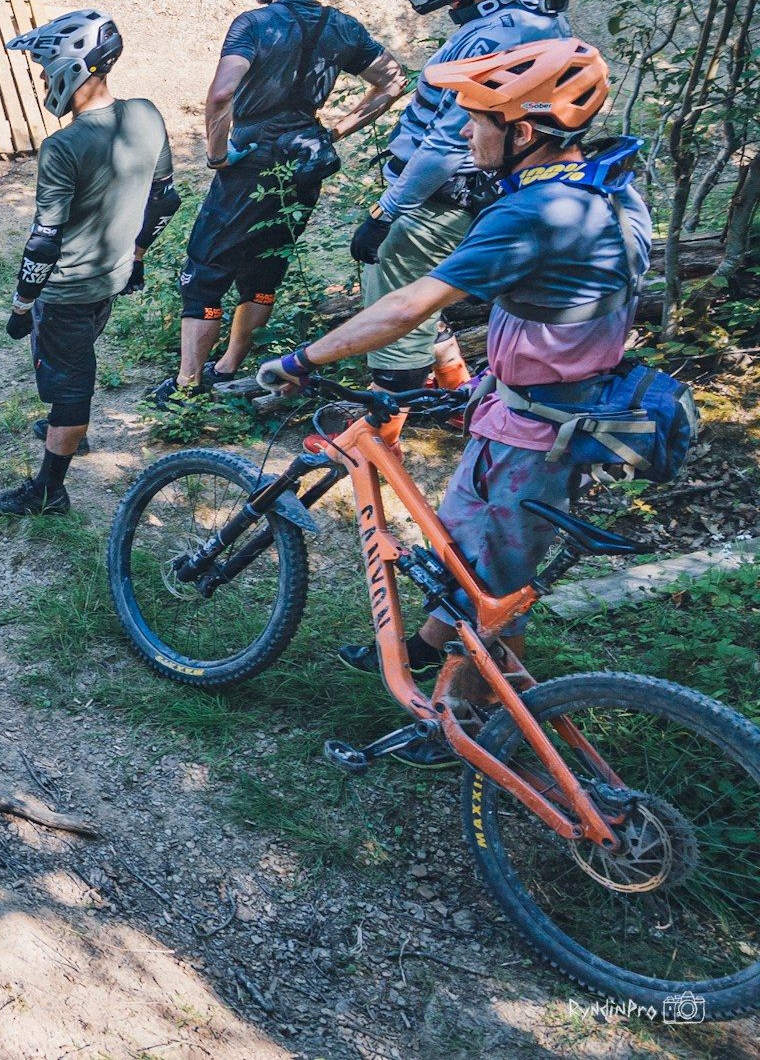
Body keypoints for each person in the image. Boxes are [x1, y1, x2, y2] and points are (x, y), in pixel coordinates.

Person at [257, 37, 647, 766]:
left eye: (477, 120)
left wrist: (300, 358)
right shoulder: (604, 183)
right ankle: (429, 649)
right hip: (535, 407)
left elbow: (408, 305)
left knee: (493, 587)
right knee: (469, 553)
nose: (466, 133)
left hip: (537, 434)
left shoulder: (535, 212)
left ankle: (463, 723)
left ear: (522, 132)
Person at [154, 0, 406, 407]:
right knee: (266, 268)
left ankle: (188, 387)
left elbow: (222, 94)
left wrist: (217, 155)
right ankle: (229, 367)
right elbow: (393, 80)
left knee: (205, 270)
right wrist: (334, 131)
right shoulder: (343, 26)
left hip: (252, 160)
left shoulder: (254, 24)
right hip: (307, 159)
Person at [348, 0, 571, 397]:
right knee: (427, 302)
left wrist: (386, 213)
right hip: (474, 192)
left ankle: (382, 428)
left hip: (440, 201)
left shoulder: (493, 35)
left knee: (397, 318)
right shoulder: (537, 17)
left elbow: (449, 143)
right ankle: (454, 395)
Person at [0, 10, 178, 516]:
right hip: (111, 276)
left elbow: (44, 242)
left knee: (73, 385)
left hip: (67, 289)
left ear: (70, 68)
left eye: (44, 69)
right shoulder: (146, 114)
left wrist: (21, 306)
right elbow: (165, 198)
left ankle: (49, 491)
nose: (42, 80)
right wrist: (137, 258)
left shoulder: (63, 146)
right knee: (73, 366)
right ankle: (66, 427)